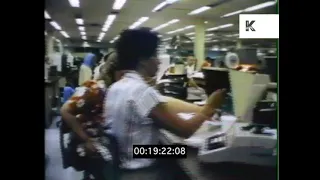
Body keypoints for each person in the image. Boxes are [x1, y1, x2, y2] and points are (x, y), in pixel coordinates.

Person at [105, 28, 226, 178]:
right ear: (143, 60)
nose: (159, 60)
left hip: (125, 158)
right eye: (155, 55)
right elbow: (185, 130)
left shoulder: (115, 87)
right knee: (187, 158)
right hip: (138, 169)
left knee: (179, 150)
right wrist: (210, 107)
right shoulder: (141, 91)